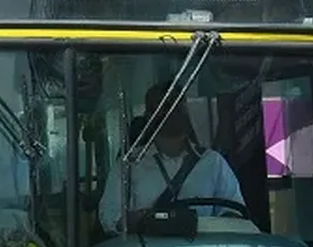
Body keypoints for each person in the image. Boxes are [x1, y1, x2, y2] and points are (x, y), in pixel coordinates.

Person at [97, 81, 243, 234]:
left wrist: (226, 220)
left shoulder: (213, 162)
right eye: (165, 107)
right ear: (149, 116)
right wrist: (141, 221)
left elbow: (234, 212)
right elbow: (110, 216)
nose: (173, 112)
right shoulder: (129, 165)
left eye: (179, 105)